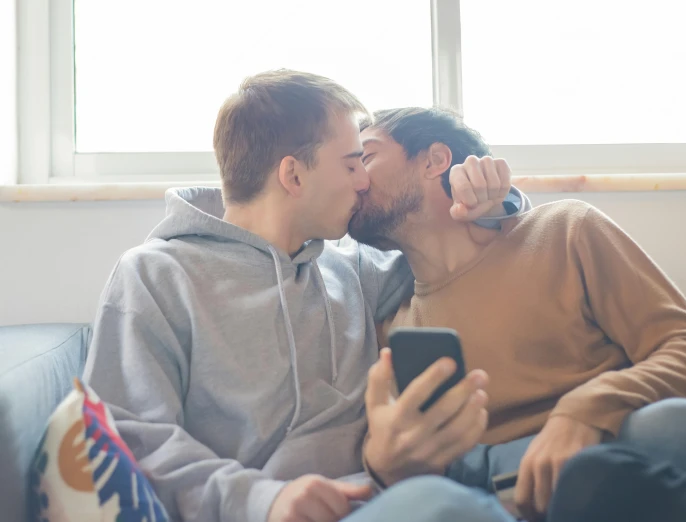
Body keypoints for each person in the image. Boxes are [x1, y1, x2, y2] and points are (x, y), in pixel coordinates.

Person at [82, 70, 530, 522]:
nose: (362, 183)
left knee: (554, 464)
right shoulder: (156, 276)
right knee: (447, 507)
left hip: (382, 499)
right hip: (262, 513)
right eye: (352, 164)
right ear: (293, 175)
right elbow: (132, 437)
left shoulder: (353, 268)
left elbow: (457, 257)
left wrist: (495, 203)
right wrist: (263, 500)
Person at [349, 107, 686, 522]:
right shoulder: (395, 326)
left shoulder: (563, 229)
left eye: (365, 156)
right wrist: (382, 461)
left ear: (435, 160)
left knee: (683, 417)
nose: (355, 176)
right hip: (567, 489)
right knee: (611, 465)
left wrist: (584, 410)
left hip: (664, 430)